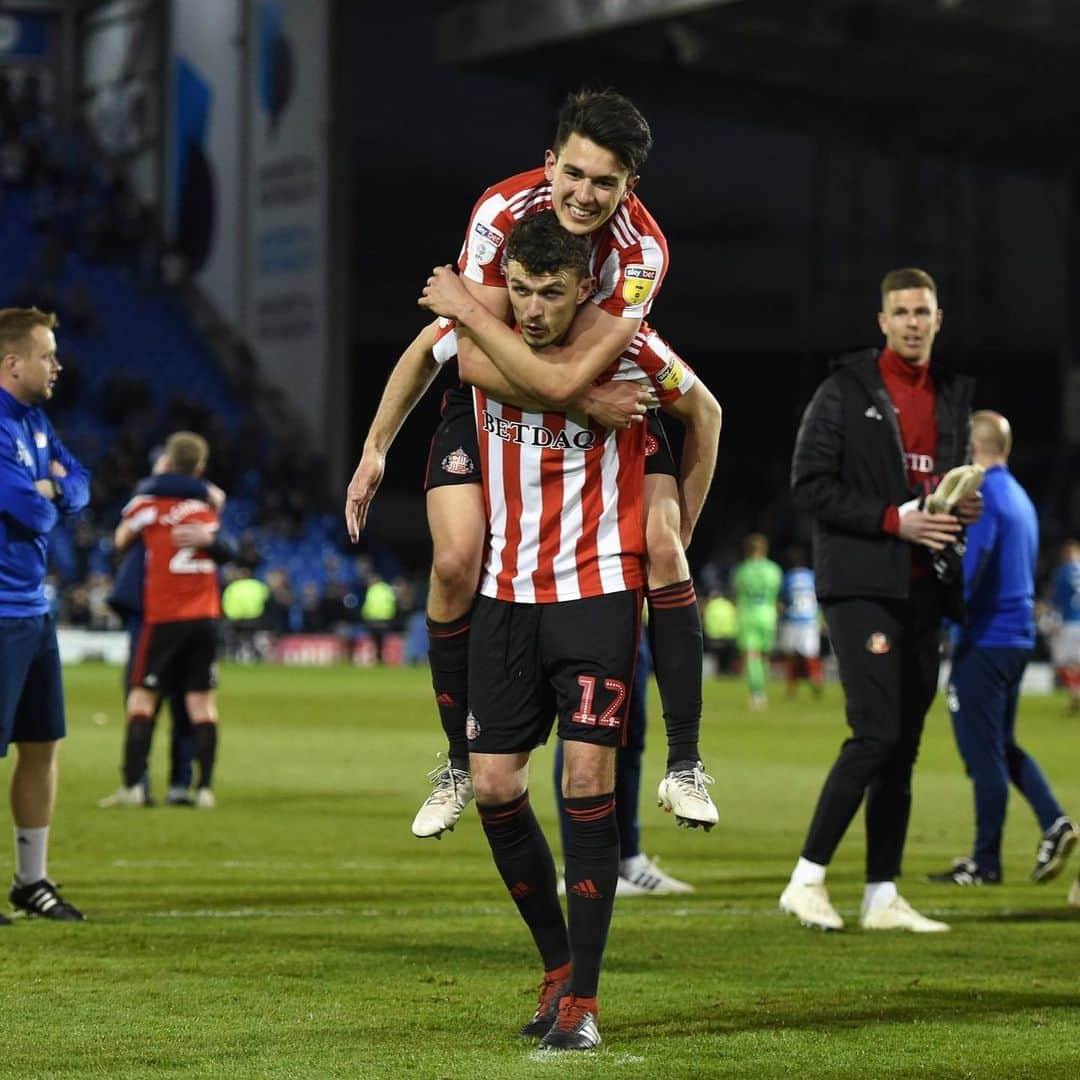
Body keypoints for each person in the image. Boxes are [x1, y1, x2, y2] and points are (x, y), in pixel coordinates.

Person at [346, 89, 715, 839]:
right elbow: (461, 358)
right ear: (550, 164)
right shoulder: (499, 213)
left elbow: (563, 378)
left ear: (629, 189)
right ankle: (457, 759)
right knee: (453, 562)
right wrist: (374, 447)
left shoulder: (641, 258)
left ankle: (684, 764)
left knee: (664, 546)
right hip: (520, 409)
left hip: (596, 406)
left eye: (604, 183)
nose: (583, 194)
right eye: (572, 173)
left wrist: (673, 539)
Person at [421, 211, 720, 1050]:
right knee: (494, 788)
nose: (534, 308)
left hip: (594, 593)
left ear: (584, 287)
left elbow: (708, 412)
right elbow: (423, 360)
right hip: (506, 598)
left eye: (551, 292)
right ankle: (556, 967)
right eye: (519, 290)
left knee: (587, 781)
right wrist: (374, 451)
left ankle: (584, 1004)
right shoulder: (481, 343)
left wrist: (680, 525)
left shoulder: (630, 348)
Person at [779, 267, 982, 934]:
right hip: (861, 583)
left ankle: (881, 894)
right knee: (876, 733)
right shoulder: (844, 391)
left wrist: (957, 508)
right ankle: (807, 880)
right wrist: (897, 520)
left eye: (923, 311)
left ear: (939, 318)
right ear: (883, 321)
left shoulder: (953, 397)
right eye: (902, 312)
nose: (914, 322)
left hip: (926, 586)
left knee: (904, 748)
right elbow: (808, 484)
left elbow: (937, 487)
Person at [928, 412, 1077, 886]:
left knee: (981, 755)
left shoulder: (986, 495)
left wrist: (941, 612)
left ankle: (985, 862)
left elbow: (974, 567)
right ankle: (1055, 823)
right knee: (1002, 746)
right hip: (1016, 639)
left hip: (987, 639)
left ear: (973, 444)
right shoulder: (1021, 497)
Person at [0, 306, 89, 922]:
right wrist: (48, 493)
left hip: (34, 609)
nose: (56, 365)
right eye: (46, 355)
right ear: (12, 364)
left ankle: (31, 881)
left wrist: (54, 488)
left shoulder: (35, 422)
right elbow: (30, 512)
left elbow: (77, 486)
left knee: (41, 745)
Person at [100, 432, 224, 810]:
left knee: (141, 698)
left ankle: (135, 786)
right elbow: (225, 543)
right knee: (201, 704)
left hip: (163, 615)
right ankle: (201, 790)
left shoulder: (146, 504)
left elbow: (119, 541)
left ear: (166, 462)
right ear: (200, 467)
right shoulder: (207, 509)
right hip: (205, 617)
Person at [554, 634, 695, 896]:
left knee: (628, 737)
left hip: (630, 613)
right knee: (585, 730)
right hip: (592, 610)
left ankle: (626, 859)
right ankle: (582, 866)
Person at [732, 533, 782, 709]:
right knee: (764, 656)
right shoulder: (774, 570)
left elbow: (736, 592)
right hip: (768, 615)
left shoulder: (742, 571)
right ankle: (762, 690)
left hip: (748, 614)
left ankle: (757, 694)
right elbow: (777, 593)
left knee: (751, 655)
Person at [778, 547, 824, 697]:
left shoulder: (788, 578)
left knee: (791, 655)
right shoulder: (813, 576)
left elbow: (783, 600)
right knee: (811, 653)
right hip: (810, 619)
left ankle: (792, 687)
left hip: (792, 619)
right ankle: (816, 680)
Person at [1048, 539, 1080, 716]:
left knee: (1062, 663)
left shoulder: (1063, 572)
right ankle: (1074, 694)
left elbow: (1056, 601)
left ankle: (1075, 691)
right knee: (1077, 663)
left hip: (1069, 623)